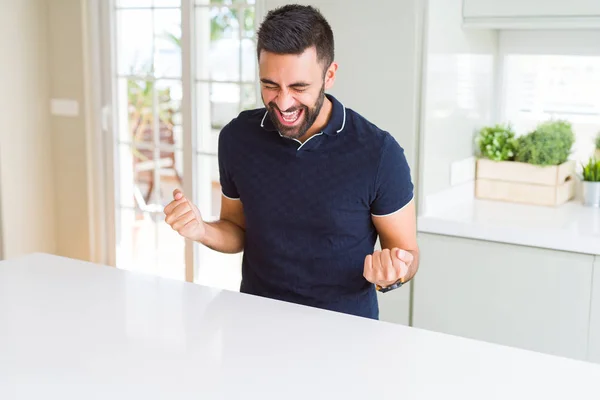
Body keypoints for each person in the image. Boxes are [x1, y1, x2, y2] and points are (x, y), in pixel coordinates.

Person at [164, 4, 419, 320]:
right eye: (270, 85)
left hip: (344, 333)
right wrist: (202, 230)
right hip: (257, 322)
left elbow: (408, 253)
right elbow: (236, 229)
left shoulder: (379, 153)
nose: (283, 103)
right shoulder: (237, 138)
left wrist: (394, 270)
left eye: (299, 87)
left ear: (330, 75)